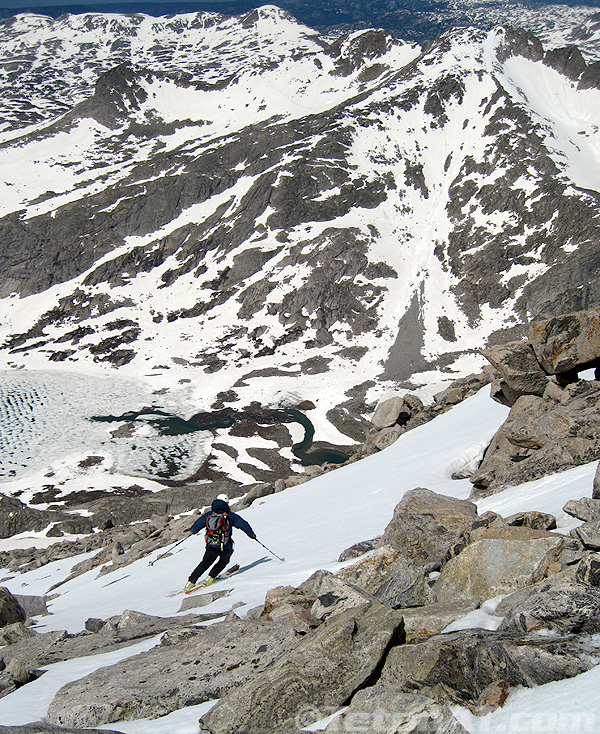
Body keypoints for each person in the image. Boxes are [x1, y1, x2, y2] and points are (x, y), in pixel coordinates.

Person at [184, 496, 256, 591]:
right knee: (224, 561)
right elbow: (243, 525)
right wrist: (252, 535)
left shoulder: (209, 515)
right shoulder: (230, 516)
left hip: (211, 545)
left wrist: (193, 532)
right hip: (226, 546)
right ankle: (211, 577)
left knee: (205, 563)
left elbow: (196, 527)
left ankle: (191, 582)